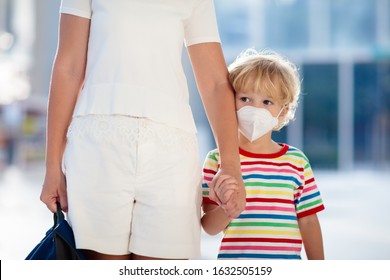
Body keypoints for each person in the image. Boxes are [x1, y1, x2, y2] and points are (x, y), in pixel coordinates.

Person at [40, 0, 246, 260]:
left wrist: (231, 167)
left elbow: (216, 82)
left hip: (171, 149)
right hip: (98, 148)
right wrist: (52, 168)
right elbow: (68, 67)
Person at [201, 49, 325, 259]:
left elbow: (309, 220)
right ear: (229, 102)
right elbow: (209, 227)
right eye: (245, 99)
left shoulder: (296, 162)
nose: (254, 109)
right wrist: (227, 208)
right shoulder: (217, 160)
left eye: (267, 102)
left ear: (282, 112)